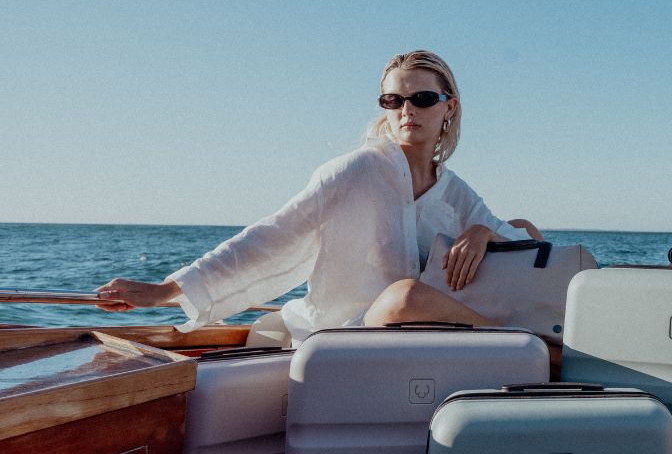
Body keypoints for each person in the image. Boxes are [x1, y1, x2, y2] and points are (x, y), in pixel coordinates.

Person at [96, 50, 539, 344]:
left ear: (449, 106)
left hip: (418, 345)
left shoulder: (456, 194)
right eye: (393, 99)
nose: (407, 111)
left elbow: (526, 240)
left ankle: (531, 348)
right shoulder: (355, 171)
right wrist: (168, 289)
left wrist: (482, 231)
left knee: (512, 234)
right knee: (405, 296)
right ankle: (531, 347)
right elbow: (270, 238)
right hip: (339, 339)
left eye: (422, 98)